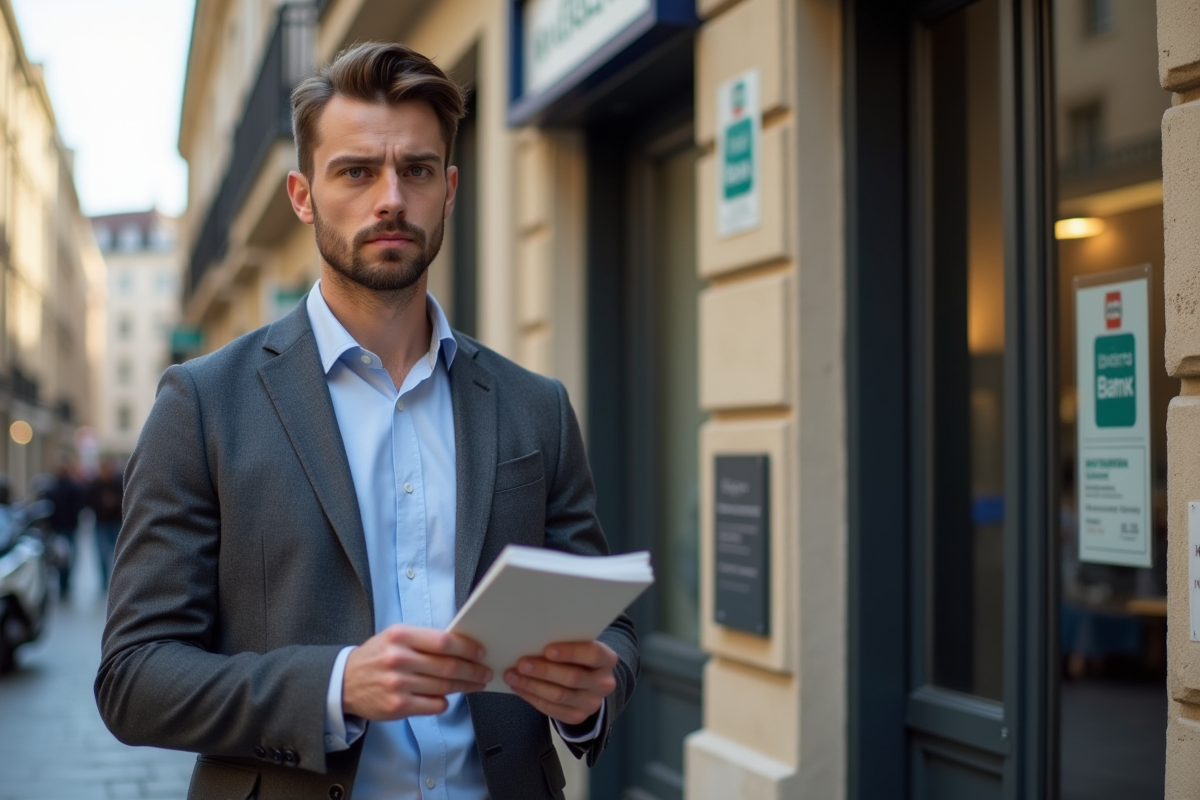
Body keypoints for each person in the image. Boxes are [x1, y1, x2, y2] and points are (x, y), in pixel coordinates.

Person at [96, 42, 637, 800]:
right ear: (302, 195)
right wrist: (336, 684)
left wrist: (589, 696)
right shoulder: (202, 403)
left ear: (448, 190)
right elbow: (133, 676)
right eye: (356, 171)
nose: (390, 198)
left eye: (415, 170)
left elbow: (609, 627)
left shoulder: (532, 404)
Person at [43, 456, 83, 599]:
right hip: (62, 528)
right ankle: (64, 584)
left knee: (63, 558)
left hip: (65, 527)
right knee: (64, 558)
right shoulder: (56, 487)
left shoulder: (65, 487)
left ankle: (64, 584)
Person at [85, 458, 123, 591]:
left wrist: (114, 502)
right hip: (101, 523)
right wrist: (101, 502)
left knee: (117, 553)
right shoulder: (95, 484)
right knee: (101, 554)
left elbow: (124, 499)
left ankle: (116, 579)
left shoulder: (118, 483)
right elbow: (89, 501)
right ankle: (103, 581)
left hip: (115, 523)